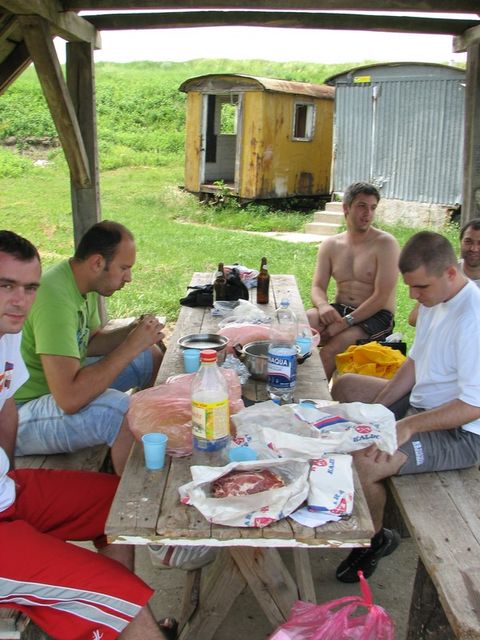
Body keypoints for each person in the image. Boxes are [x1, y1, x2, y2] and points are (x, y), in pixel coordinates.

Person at [0, 230, 176, 640]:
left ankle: (128, 623)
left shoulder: (7, 334)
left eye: (29, 287)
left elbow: (6, 408)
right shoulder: (50, 302)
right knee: (119, 598)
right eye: (6, 285)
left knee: (124, 507)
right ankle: (130, 619)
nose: (20, 300)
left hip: (8, 490)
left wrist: (7, 475)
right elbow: (68, 398)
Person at [331, 231, 480, 583]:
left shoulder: (473, 318)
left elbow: (473, 406)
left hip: (461, 433)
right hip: (421, 403)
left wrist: (407, 426)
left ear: (450, 273)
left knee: (363, 463)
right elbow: (414, 362)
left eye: (420, 287)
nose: (413, 295)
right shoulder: (434, 300)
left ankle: (375, 540)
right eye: (409, 286)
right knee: (346, 386)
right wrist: (379, 409)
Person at [14, 221, 165, 474]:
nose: (129, 277)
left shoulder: (84, 283)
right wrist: (130, 345)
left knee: (147, 356)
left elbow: (89, 342)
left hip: (56, 389)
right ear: (97, 263)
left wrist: (133, 333)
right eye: (124, 268)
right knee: (120, 412)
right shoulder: (54, 299)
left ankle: (156, 436)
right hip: (17, 414)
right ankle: (133, 492)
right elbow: (69, 398)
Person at [306, 182, 400, 380]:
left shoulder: (386, 244)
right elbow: (317, 286)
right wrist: (323, 306)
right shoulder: (331, 245)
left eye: (373, 208)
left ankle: (314, 395)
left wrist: (345, 323)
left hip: (376, 316)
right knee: (302, 325)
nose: (368, 213)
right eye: (362, 206)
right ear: (346, 208)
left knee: (331, 351)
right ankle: (288, 380)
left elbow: (382, 296)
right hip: (341, 309)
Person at [408, 217, 480, 326]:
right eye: (468, 241)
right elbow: (414, 319)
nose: (474, 248)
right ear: (460, 242)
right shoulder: (443, 273)